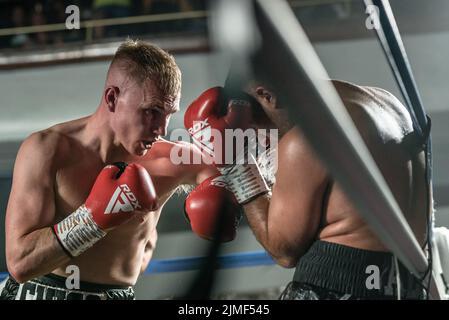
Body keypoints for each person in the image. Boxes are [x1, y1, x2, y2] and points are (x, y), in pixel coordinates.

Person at [0, 39, 240, 300]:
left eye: (169, 114)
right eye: (152, 111)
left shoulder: (175, 159)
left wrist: (239, 148)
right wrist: (91, 220)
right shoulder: (48, 150)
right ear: (112, 98)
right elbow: (20, 263)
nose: (161, 129)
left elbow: (246, 191)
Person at [184, 78, 431, 300]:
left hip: (339, 287)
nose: (262, 141)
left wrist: (237, 165)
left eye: (253, 129)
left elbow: (283, 250)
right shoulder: (389, 103)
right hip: (408, 285)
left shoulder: (307, 137)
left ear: (267, 95)